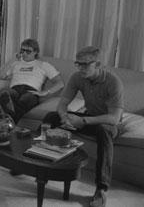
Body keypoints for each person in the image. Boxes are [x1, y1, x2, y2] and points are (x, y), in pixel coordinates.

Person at [42, 46, 124, 207]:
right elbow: (63, 103)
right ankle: (39, 165)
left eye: (85, 64)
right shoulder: (77, 77)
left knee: (103, 131)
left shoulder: (113, 82)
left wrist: (83, 122)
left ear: (98, 64)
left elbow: (114, 118)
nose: (80, 68)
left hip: (107, 122)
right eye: (77, 64)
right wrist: (64, 117)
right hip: (88, 117)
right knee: (50, 117)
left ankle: (101, 188)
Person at [0, 38, 64, 123]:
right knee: (5, 94)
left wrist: (46, 92)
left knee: (26, 99)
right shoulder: (16, 63)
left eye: (28, 51)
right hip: (15, 89)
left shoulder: (43, 65)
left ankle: (7, 118)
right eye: (22, 51)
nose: (24, 53)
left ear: (35, 52)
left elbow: (60, 83)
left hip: (31, 91)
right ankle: (8, 116)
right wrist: (13, 60)